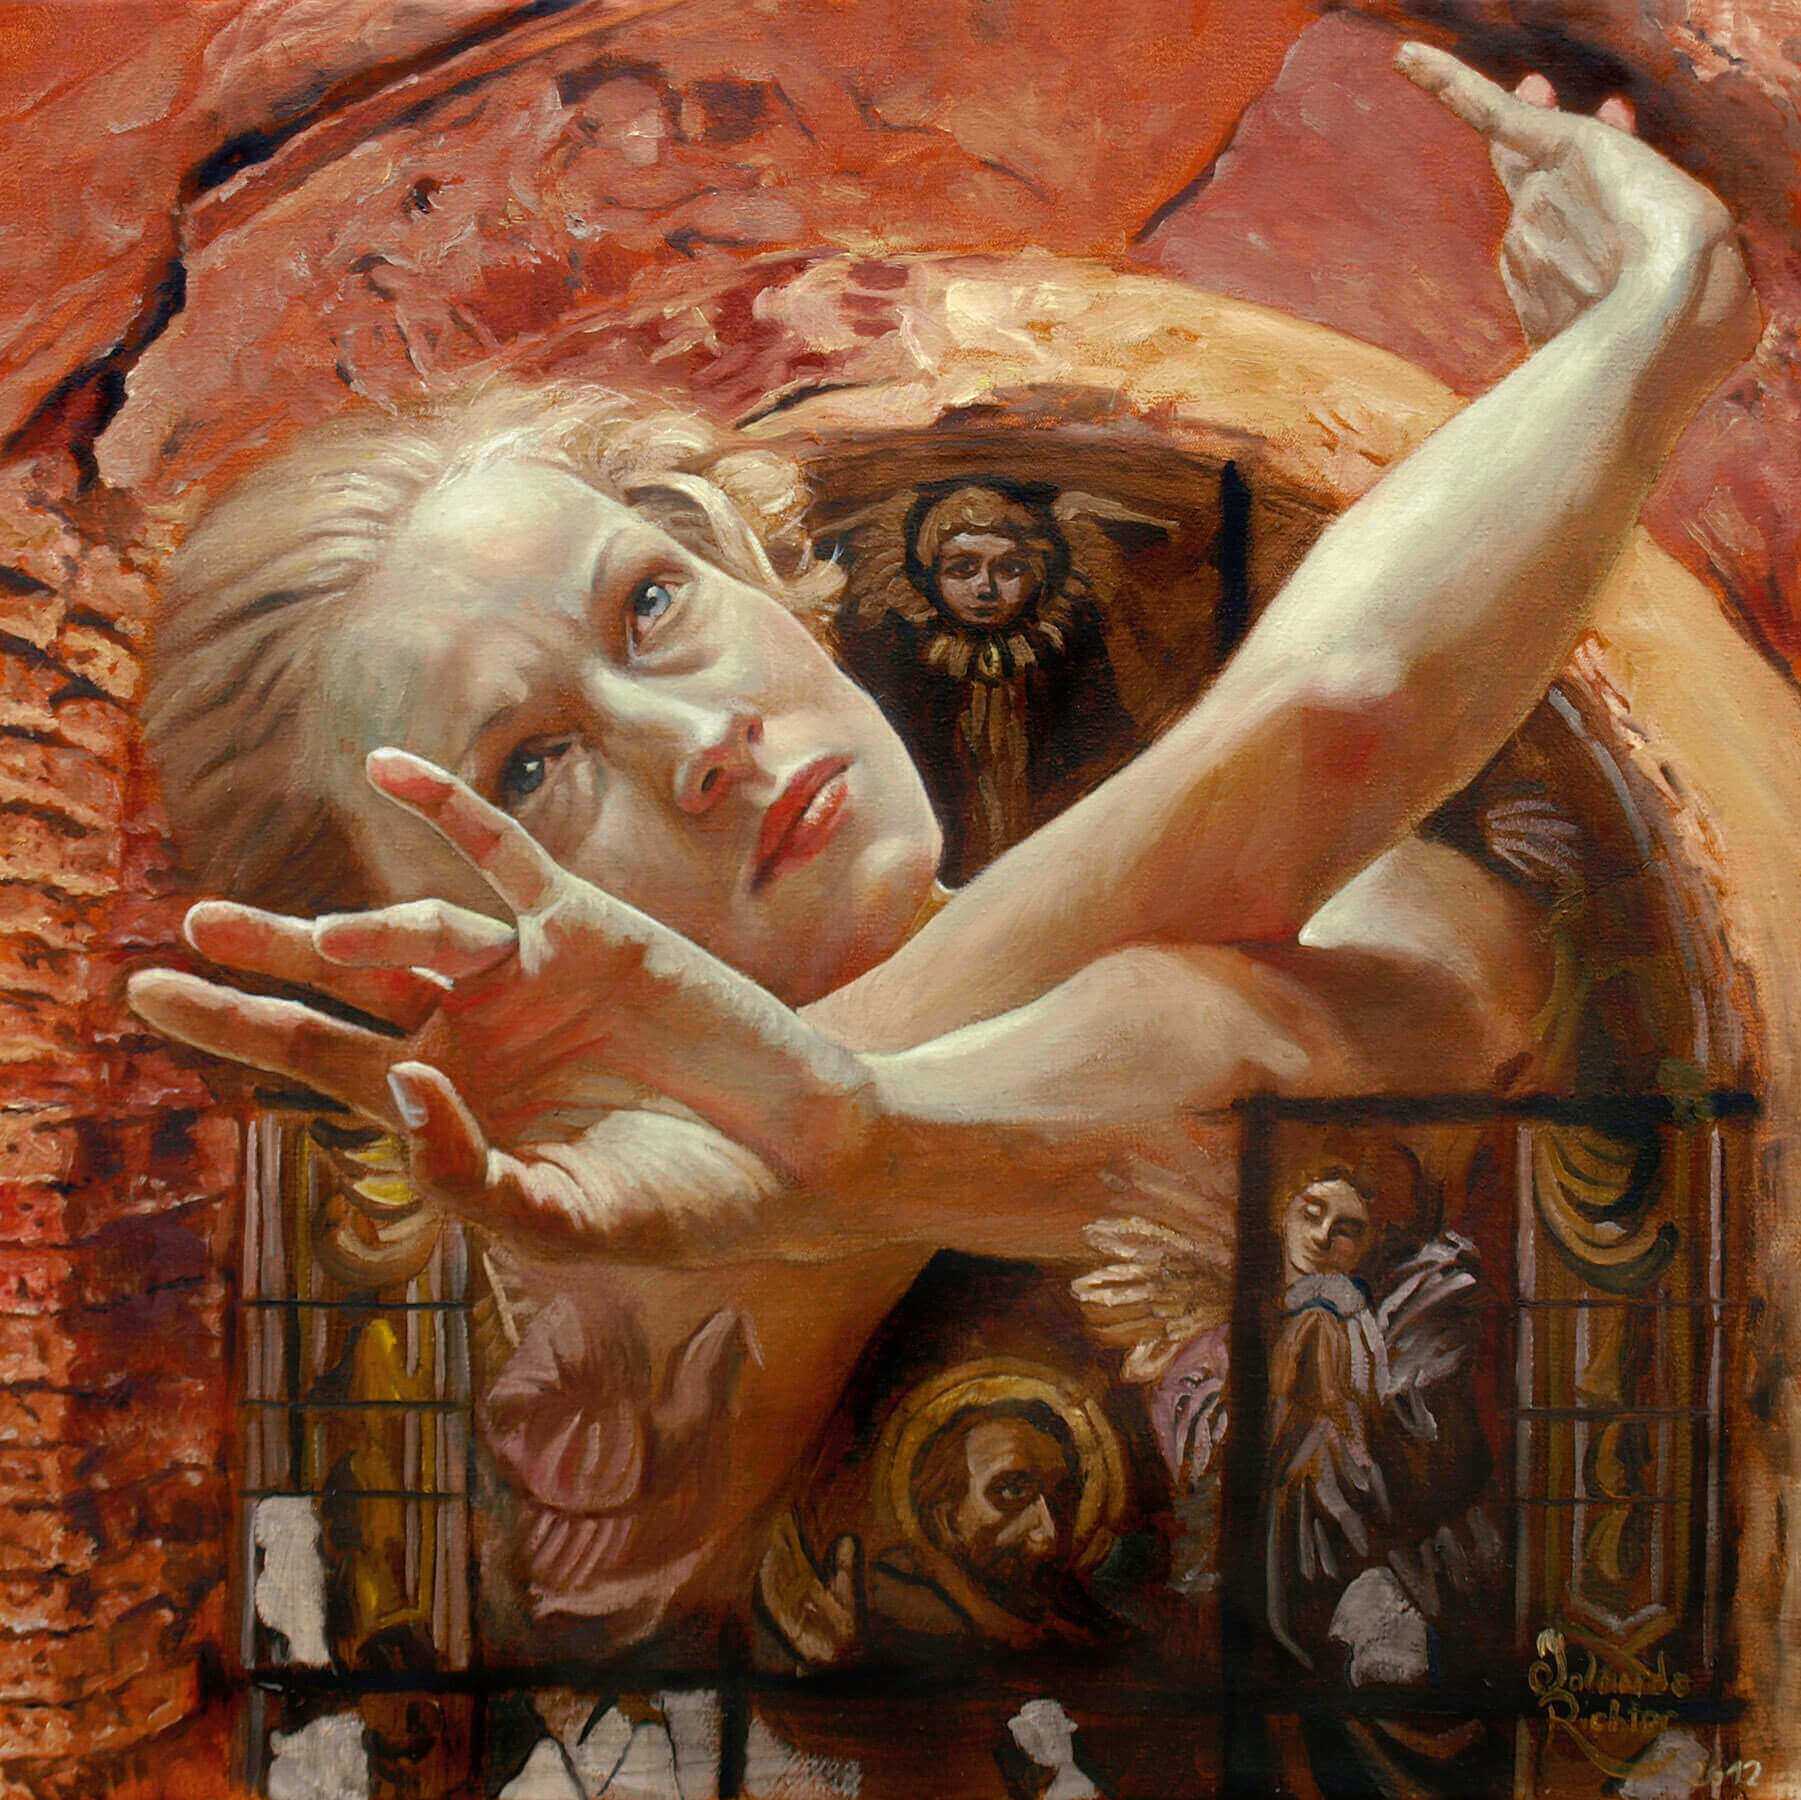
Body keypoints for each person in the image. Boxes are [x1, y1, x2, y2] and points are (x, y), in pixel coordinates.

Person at [129, 45, 1760, 1635]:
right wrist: (1649, 322)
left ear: (755, 574)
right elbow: (1336, 717)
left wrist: (869, 1129)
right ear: (408, 962)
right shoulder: (601, 1242)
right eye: (532, 766)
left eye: (652, 605)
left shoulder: (941, 1045)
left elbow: (1379, 1007)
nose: (699, 748)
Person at [834, 479, 1140, 880]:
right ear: (930, 575)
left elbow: (1107, 764)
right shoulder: (900, 670)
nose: (985, 588)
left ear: (1039, 577)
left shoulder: (1068, 664)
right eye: (963, 569)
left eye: (1010, 569)